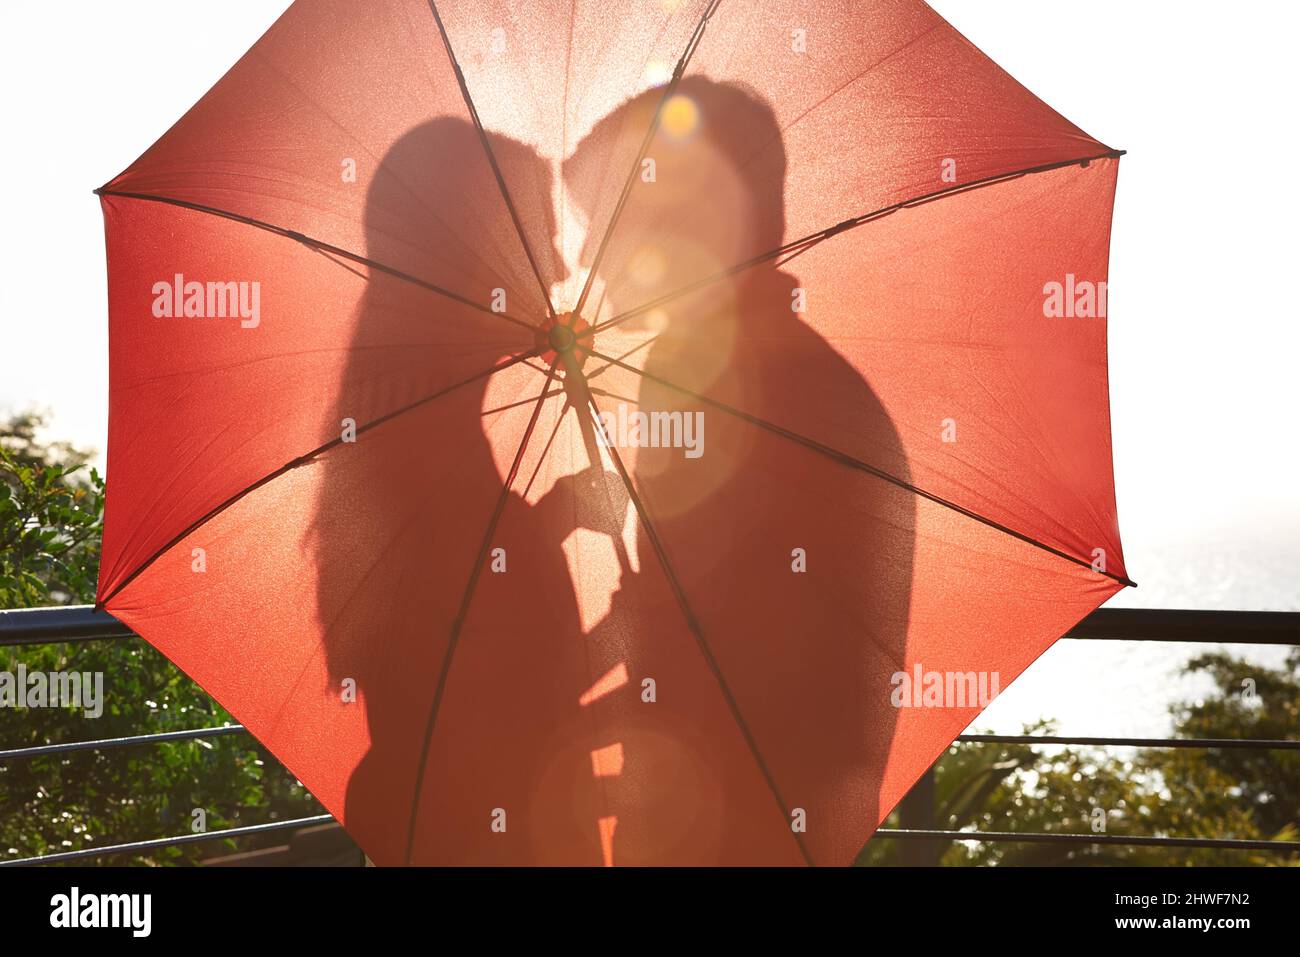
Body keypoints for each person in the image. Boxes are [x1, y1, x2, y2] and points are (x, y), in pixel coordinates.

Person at [559, 78, 916, 864]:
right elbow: (679, 604)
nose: (585, 256)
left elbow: (722, 644)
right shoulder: (756, 368)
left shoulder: (722, 377)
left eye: (607, 220)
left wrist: (569, 728)